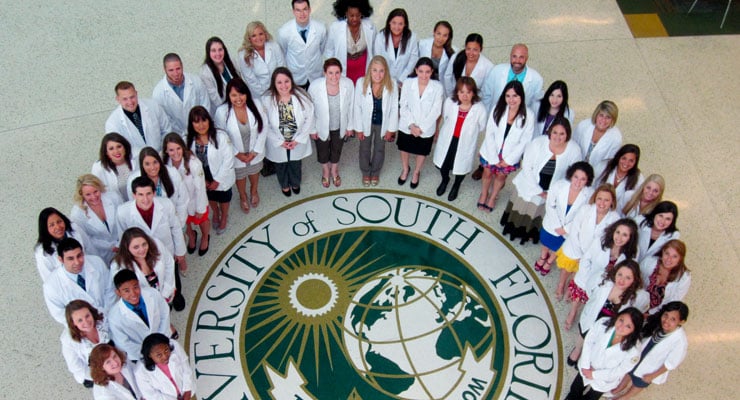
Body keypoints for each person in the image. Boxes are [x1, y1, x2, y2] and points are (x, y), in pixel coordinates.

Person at [502, 120, 585, 245]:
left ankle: (530, 234)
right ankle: (513, 230)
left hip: (553, 188)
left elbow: (571, 175)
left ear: (567, 134)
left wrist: (552, 193)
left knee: (538, 212)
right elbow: (527, 167)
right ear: (550, 132)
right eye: (555, 132)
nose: (557, 137)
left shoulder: (574, 150)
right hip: (530, 182)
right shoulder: (538, 143)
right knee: (523, 207)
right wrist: (538, 191)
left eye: (562, 134)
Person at [569, 260, 648, 365]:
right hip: (592, 316)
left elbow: (636, 313)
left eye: (628, 278)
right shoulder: (602, 279)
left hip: (609, 324)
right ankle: (577, 349)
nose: (622, 280)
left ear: (634, 280)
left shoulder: (635, 297)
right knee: (583, 334)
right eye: (620, 274)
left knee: (598, 343)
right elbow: (589, 288)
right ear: (615, 272)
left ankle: (586, 358)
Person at [566, 218, 640, 331]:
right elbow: (586, 258)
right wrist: (587, 278)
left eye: (625, 235)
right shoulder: (601, 240)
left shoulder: (633, 253)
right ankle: (573, 312)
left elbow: (629, 271)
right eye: (618, 232)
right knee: (578, 297)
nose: (619, 238)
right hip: (588, 276)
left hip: (608, 286)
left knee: (594, 304)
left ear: (631, 238)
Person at [116, 176, 187, 287]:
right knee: (151, 284)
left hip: (167, 251)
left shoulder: (166, 204)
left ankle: (177, 298)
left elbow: (176, 228)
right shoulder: (122, 212)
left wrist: (180, 252)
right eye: (140, 194)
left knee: (173, 277)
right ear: (134, 195)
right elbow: (123, 238)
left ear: (154, 193)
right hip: (141, 256)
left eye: (148, 193)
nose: (145, 199)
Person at [611, 302, 689, 399]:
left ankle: (623, 397)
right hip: (640, 356)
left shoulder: (680, 341)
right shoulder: (659, 325)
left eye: (673, 319)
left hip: (650, 370)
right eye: (665, 315)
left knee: (638, 384)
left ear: (681, 321)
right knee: (629, 372)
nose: (666, 321)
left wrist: (652, 376)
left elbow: (671, 363)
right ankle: (618, 388)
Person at [554, 184, 621, 296]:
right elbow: (575, 231)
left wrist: (587, 255)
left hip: (593, 253)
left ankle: (571, 289)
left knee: (580, 272)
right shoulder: (586, 209)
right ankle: (561, 285)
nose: (602, 203)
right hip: (575, 246)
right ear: (595, 198)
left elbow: (609, 241)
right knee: (567, 269)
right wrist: (580, 252)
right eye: (599, 198)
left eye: (606, 200)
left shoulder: (615, 218)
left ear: (612, 202)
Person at [478, 80, 534, 212]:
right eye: (508, 96)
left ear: (521, 97)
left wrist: (508, 160)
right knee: (487, 173)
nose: (511, 100)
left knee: (501, 176)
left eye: (515, 96)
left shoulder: (529, 115)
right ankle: (484, 193)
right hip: (491, 150)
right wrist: (493, 157)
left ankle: (493, 196)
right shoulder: (498, 108)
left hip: (510, 154)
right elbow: (490, 132)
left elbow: (525, 140)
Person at [565, 308, 644, 400]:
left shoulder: (634, 350)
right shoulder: (604, 323)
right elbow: (589, 342)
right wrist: (586, 366)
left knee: (591, 397)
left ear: (634, 331)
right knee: (575, 390)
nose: (621, 327)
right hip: (587, 367)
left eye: (628, 326)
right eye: (621, 320)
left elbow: (620, 370)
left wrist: (594, 374)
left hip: (605, 379)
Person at [214, 77, 266, 213]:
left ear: (247, 93)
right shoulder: (222, 112)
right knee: (240, 176)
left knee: (254, 172)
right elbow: (221, 137)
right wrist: (237, 154)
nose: (238, 98)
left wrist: (255, 152)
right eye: (234, 95)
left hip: (255, 151)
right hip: (236, 155)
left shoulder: (257, 104)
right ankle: (243, 196)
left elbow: (263, 127)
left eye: (241, 94)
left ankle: (254, 191)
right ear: (228, 96)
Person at [534, 161, 595, 275]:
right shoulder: (559, 185)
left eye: (583, 179)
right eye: (576, 177)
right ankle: (543, 256)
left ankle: (550, 260)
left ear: (587, 181)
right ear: (571, 175)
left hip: (570, 229)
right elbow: (550, 205)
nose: (578, 182)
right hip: (552, 223)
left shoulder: (590, 194)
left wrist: (565, 229)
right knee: (546, 241)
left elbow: (584, 216)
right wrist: (557, 225)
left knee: (559, 246)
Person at [432, 76, 487, 201]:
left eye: (468, 92)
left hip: (465, 143)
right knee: (443, 165)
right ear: (457, 92)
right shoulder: (450, 102)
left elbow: (482, 126)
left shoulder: (480, 109)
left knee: (461, 168)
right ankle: (445, 180)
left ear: (474, 93)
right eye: (462, 92)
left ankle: (456, 185)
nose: (465, 95)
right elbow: (445, 117)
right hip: (448, 140)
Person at [262, 67, 315, 196]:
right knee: (280, 164)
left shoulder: (301, 96)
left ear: (291, 81)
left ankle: (295, 182)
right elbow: (265, 124)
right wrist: (279, 141)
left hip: (296, 139)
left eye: (286, 81)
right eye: (279, 82)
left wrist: (298, 139)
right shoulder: (267, 100)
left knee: (295, 163)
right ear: (274, 84)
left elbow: (309, 118)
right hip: (278, 140)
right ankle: (284, 185)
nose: (284, 85)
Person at [186, 106, 235, 235]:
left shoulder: (221, 136)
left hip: (221, 176)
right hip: (202, 177)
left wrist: (217, 180)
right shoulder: (188, 139)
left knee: (224, 197)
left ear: (209, 120)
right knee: (210, 196)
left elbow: (228, 160)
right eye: (196, 122)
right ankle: (216, 213)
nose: (201, 125)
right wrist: (204, 181)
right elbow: (188, 161)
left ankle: (224, 216)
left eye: (204, 120)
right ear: (192, 124)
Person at [396, 57, 444, 189]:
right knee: (404, 148)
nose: (424, 75)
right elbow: (403, 105)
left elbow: (436, 110)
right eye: (421, 71)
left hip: (426, 128)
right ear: (416, 70)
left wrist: (421, 128)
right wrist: (411, 125)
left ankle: (416, 172)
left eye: (427, 72)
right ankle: (405, 169)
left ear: (432, 72)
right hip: (407, 125)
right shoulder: (407, 83)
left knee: (421, 151)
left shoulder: (438, 87)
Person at [43, 238, 115, 325]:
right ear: (61, 260)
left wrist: (106, 314)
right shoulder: (51, 285)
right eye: (70, 259)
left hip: (110, 318)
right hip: (83, 330)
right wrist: (86, 325)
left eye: (79, 256)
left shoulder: (97, 263)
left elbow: (110, 290)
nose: (77, 262)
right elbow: (60, 315)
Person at [308, 58, 355, 188]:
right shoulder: (315, 86)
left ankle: (334, 169)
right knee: (322, 149)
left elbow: (351, 106)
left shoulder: (348, 84)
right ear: (324, 73)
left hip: (340, 125)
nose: (334, 76)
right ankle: (325, 170)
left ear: (341, 72)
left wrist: (350, 126)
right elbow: (309, 110)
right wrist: (312, 129)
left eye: (337, 72)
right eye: (330, 73)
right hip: (321, 125)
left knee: (337, 148)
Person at [353, 55, 398, 186]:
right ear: (369, 70)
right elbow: (357, 107)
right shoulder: (361, 82)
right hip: (365, 122)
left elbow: (394, 108)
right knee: (364, 148)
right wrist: (359, 128)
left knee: (379, 148)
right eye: (374, 70)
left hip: (382, 123)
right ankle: (366, 172)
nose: (378, 74)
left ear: (386, 71)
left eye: (381, 70)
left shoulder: (392, 84)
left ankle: (376, 172)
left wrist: (391, 129)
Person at [107, 269, 171, 362]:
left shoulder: (152, 294)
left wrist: (161, 341)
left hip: (163, 343)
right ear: (118, 292)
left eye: (135, 287)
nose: (133, 293)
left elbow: (164, 314)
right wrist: (148, 353)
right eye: (126, 291)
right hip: (142, 355)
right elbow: (124, 343)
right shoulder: (114, 317)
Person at [162, 133, 210, 256]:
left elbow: (200, 188)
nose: (176, 153)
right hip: (178, 203)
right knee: (184, 222)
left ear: (183, 148)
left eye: (178, 148)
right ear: (166, 151)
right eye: (171, 150)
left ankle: (205, 237)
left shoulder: (194, 163)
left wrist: (200, 208)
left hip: (195, 201)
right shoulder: (164, 163)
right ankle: (192, 237)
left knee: (202, 220)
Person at [111, 228, 175, 308]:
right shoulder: (118, 267)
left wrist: (166, 292)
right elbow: (126, 292)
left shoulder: (156, 245)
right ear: (127, 248)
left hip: (164, 292)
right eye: (136, 247)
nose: (142, 249)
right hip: (145, 303)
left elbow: (169, 264)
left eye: (144, 244)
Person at [127, 147, 189, 227]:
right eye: (147, 164)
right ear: (142, 165)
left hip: (175, 219)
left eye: (155, 162)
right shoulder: (133, 180)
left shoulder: (173, 173)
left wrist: (179, 223)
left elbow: (183, 200)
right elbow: (135, 205)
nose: (152, 167)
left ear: (159, 161)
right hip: (152, 224)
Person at [105, 81, 171, 154]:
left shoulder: (153, 106)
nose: (130, 102)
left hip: (161, 154)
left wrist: (163, 151)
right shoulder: (112, 123)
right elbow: (118, 148)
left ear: (136, 93)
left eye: (132, 97)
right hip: (135, 162)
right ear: (118, 99)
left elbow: (167, 130)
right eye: (125, 99)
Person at [152, 53, 211, 134]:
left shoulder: (196, 81)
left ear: (182, 66)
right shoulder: (158, 93)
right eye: (171, 70)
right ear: (164, 69)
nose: (176, 73)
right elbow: (165, 121)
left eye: (178, 68)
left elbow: (205, 105)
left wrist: (201, 126)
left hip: (202, 130)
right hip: (179, 136)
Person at [70, 174, 121, 264]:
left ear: (100, 188)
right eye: (88, 194)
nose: (93, 197)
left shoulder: (113, 197)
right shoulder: (77, 213)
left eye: (95, 191)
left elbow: (124, 219)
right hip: (101, 253)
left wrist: (121, 243)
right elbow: (86, 238)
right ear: (81, 194)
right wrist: (111, 246)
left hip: (123, 244)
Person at [60, 300, 112, 388]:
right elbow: (76, 367)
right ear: (73, 323)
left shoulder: (103, 320)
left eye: (87, 316)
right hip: (94, 376)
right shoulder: (68, 340)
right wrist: (103, 377)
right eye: (80, 320)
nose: (86, 322)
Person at [278, 0, 327, 89]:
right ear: (293, 11)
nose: (302, 14)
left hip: (315, 75)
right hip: (296, 78)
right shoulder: (284, 32)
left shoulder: (321, 28)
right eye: (298, 10)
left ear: (310, 10)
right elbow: (283, 52)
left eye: (305, 9)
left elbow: (322, 49)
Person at [481, 43, 544, 112]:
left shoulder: (536, 79)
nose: (517, 60)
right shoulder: (497, 70)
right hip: (495, 116)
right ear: (510, 56)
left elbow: (536, 106)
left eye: (521, 57)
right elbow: (486, 95)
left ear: (527, 58)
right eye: (514, 56)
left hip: (520, 119)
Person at [325, 0, 376, 83]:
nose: (355, 18)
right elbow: (329, 51)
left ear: (362, 13)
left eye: (358, 15)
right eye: (351, 15)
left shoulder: (370, 26)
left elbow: (374, 49)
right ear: (345, 13)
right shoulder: (335, 27)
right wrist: (331, 70)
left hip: (364, 67)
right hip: (344, 67)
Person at [35, 207, 90, 283]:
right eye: (52, 225)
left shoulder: (75, 230)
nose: (57, 227)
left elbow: (89, 248)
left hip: (89, 275)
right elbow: (48, 279)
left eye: (59, 221)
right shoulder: (42, 252)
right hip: (66, 287)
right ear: (45, 229)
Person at [135, 333, 195, 400]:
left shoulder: (174, 345)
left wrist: (187, 390)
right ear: (149, 355)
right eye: (159, 355)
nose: (165, 356)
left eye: (166, 350)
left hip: (186, 392)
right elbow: (151, 395)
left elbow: (186, 367)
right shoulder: (140, 372)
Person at [572, 100, 622, 179]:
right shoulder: (583, 125)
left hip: (596, 176)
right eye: (601, 115)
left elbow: (609, 163)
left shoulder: (616, 137)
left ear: (613, 119)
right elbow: (572, 146)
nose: (603, 120)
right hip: (574, 169)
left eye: (608, 117)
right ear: (596, 115)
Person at [639, 240, 691, 315]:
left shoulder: (684, 277)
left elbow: (674, 302)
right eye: (667, 253)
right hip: (637, 307)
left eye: (674, 256)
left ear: (680, 259)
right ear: (663, 252)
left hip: (660, 314)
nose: (669, 259)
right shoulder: (648, 262)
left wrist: (650, 314)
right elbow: (634, 284)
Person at [237, 21, 285, 98]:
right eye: (254, 36)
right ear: (249, 38)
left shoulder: (274, 46)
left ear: (265, 34)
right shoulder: (243, 55)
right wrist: (266, 95)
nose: (258, 38)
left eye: (261, 34)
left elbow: (282, 69)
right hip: (259, 95)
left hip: (279, 90)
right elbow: (251, 80)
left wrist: (278, 90)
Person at [373, 8, 419, 86]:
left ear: (405, 25)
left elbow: (413, 60)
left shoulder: (412, 38)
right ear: (389, 23)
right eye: (394, 23)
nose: (397, 27)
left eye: (400, 24)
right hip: (383, 80)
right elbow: (378, 59)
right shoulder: (380, 37)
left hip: (404, 80)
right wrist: (386, 80)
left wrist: (402, 80)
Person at [597, 144, 645, 212]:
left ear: (635, 163)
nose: (626, 163)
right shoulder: (603, 166)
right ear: (619, 157)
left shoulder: (638, 178)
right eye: (624, 158)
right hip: (596, 208)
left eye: (631, 161)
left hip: (619, 215)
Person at [443, 33, 493, 98]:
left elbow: (486, 91)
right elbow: (447, 78)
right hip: (455, 98)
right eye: (468, 49)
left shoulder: (488, 66)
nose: (471, 53)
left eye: (475, 50)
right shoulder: (456, 57)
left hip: (475, 102)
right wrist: (452, 98)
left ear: (481, 49)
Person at [199, 36, 240, 114]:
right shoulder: (205, 72)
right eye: (213, 50)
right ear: (208, 53)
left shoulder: (231, 61)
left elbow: (240, 84)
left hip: (239, 104)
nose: (218, 53)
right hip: (223, 110)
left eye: (220, 49)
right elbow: (215, 99)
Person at [92, 133, 136, 202]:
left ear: (125, 147)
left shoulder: (136, 161)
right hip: (116, 208)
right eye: (111, 149)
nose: (116, 151)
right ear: (106, 152)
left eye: (119, 146)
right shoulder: (99, 168)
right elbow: (96, 191)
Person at [418, 21, 455, 93]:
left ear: (448, 37)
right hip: (422, 83)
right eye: (439, 34)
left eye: (445, 35)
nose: (440, 38)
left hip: (440, 88)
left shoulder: (453, 51)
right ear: (434, 32)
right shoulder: (422, 44)